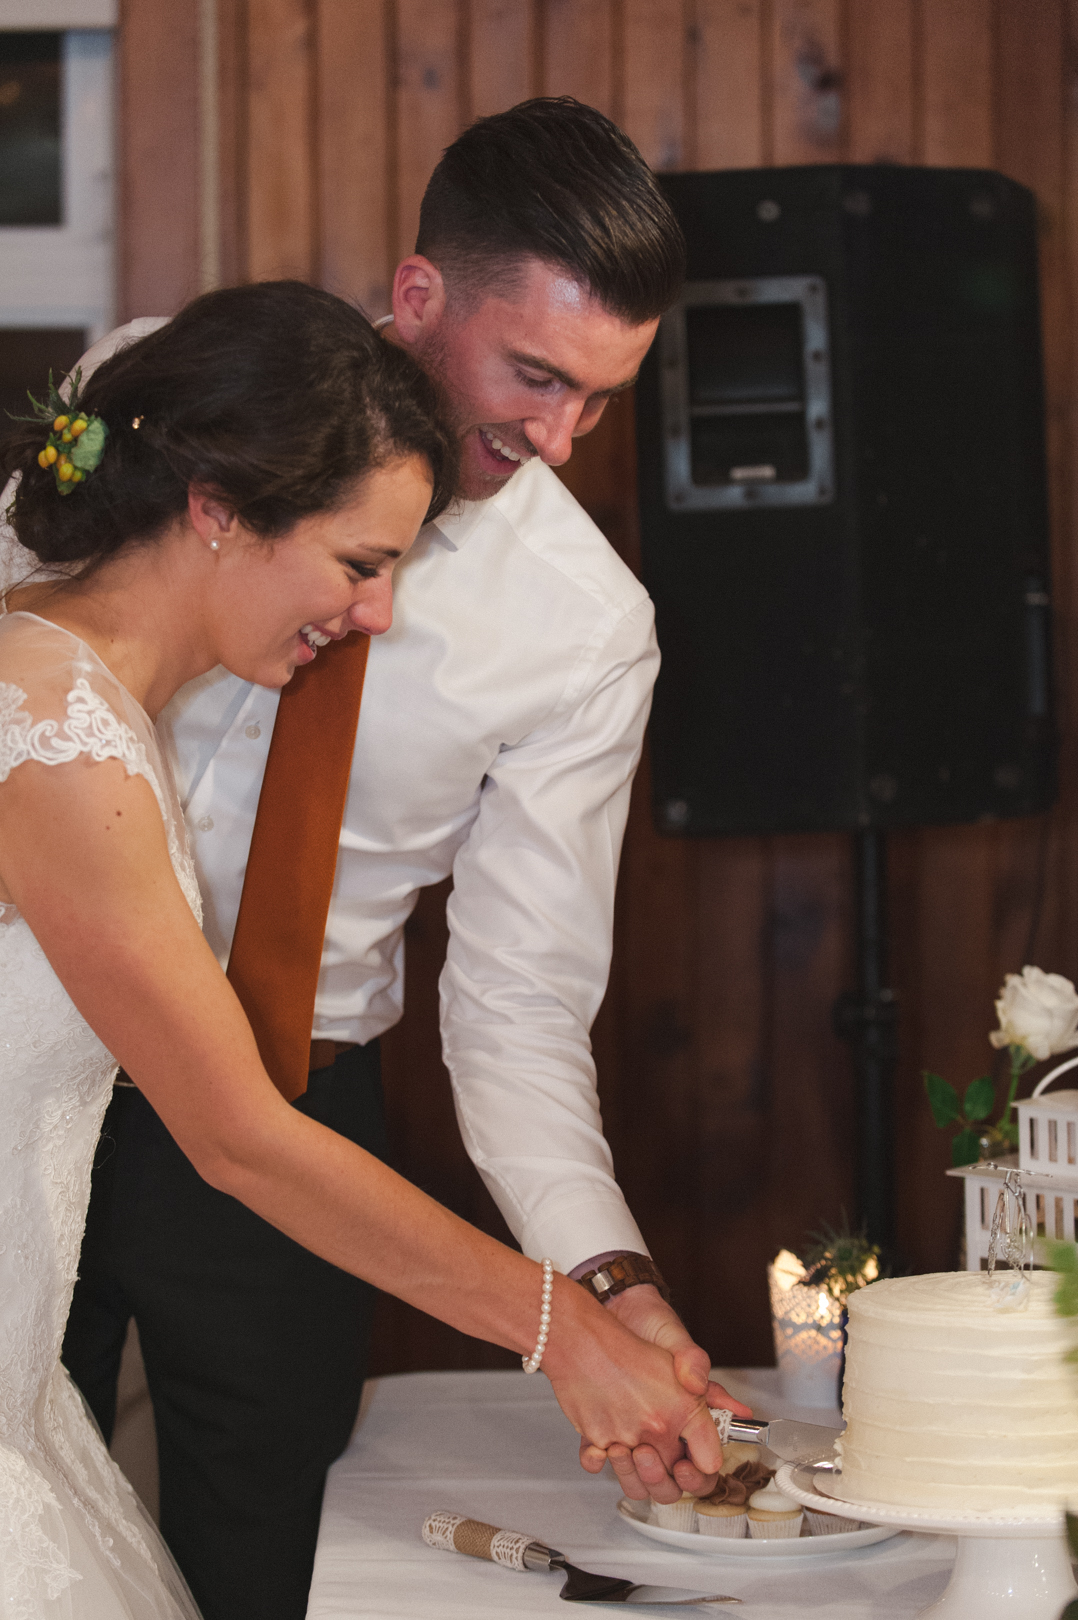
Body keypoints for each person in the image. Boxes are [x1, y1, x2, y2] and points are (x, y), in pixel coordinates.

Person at [58, 101, 749, 1620]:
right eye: (538, 379)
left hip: (293, 1107)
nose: (559, 440)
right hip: (29, 1049)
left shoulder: (584, 629)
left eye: (600, 401)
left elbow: (513, 1006)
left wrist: (608, 1282)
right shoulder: (160, 385)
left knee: (262, 1548)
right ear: (421, 292)